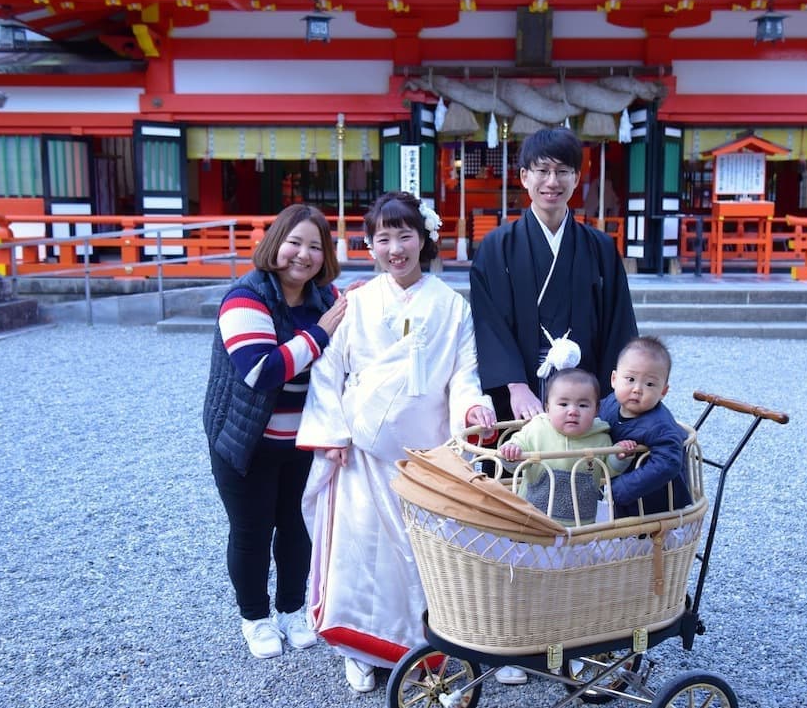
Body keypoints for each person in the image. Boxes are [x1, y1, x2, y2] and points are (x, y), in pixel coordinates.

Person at [296, 192, 497, 693]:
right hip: (362, 456)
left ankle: (425, 644)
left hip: (425, 455)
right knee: (361, 552)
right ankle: (358, 647)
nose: (395, 248)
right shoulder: (357, 302)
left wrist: (472, 411)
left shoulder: (452, 307)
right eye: (383, 238)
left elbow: (464, 372)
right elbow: (328, 370)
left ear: (425, 239)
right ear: (369, 245)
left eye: (405, 235)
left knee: (420, 555)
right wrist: (333, 433)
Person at [202, 204, 348, 660]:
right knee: (251, 531)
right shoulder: (245, 297)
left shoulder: (325, 298)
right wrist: (321, 334)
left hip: (302, 441)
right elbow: (261, 371)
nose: (303, 255)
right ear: (275, 244)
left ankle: (290, 609)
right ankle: (255, 618)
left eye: (315, 247)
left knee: (297, 529)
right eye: (295, 242)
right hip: (246, 440)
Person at [469, 127, 638, 425]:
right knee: (518, 464)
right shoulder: (496, 247)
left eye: (562, 171)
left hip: (586, 396)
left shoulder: (600, 248)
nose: (552, 181)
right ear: (524, 177)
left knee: (584, 467)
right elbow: (488, 323)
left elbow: (619, 325)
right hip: (520, 394)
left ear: (576, 178)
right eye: (542, 170)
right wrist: (515, 385)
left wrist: (611, 394)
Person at [498, 368, 636, 526]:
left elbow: (608, 469)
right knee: (532, 548)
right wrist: (511, 452)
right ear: (548, 408)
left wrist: (619, 455)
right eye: (563, 404)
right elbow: (515, 455)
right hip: (533, 519)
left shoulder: (600, 437)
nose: (573, 411)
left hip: (580, 523)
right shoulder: (536, 429)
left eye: (583, 405)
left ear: (596, 410)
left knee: (579, 549)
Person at [600, 337, 692, 518]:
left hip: (650, 504)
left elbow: (668, 461)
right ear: (614, 379)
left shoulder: (659, 425)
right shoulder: (609, 403)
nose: (637, 389)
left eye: (649, 384)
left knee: (637, 541)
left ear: (663, 392)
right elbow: (594, 418)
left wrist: (621, 488)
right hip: (615, 496)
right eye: (630, 379)